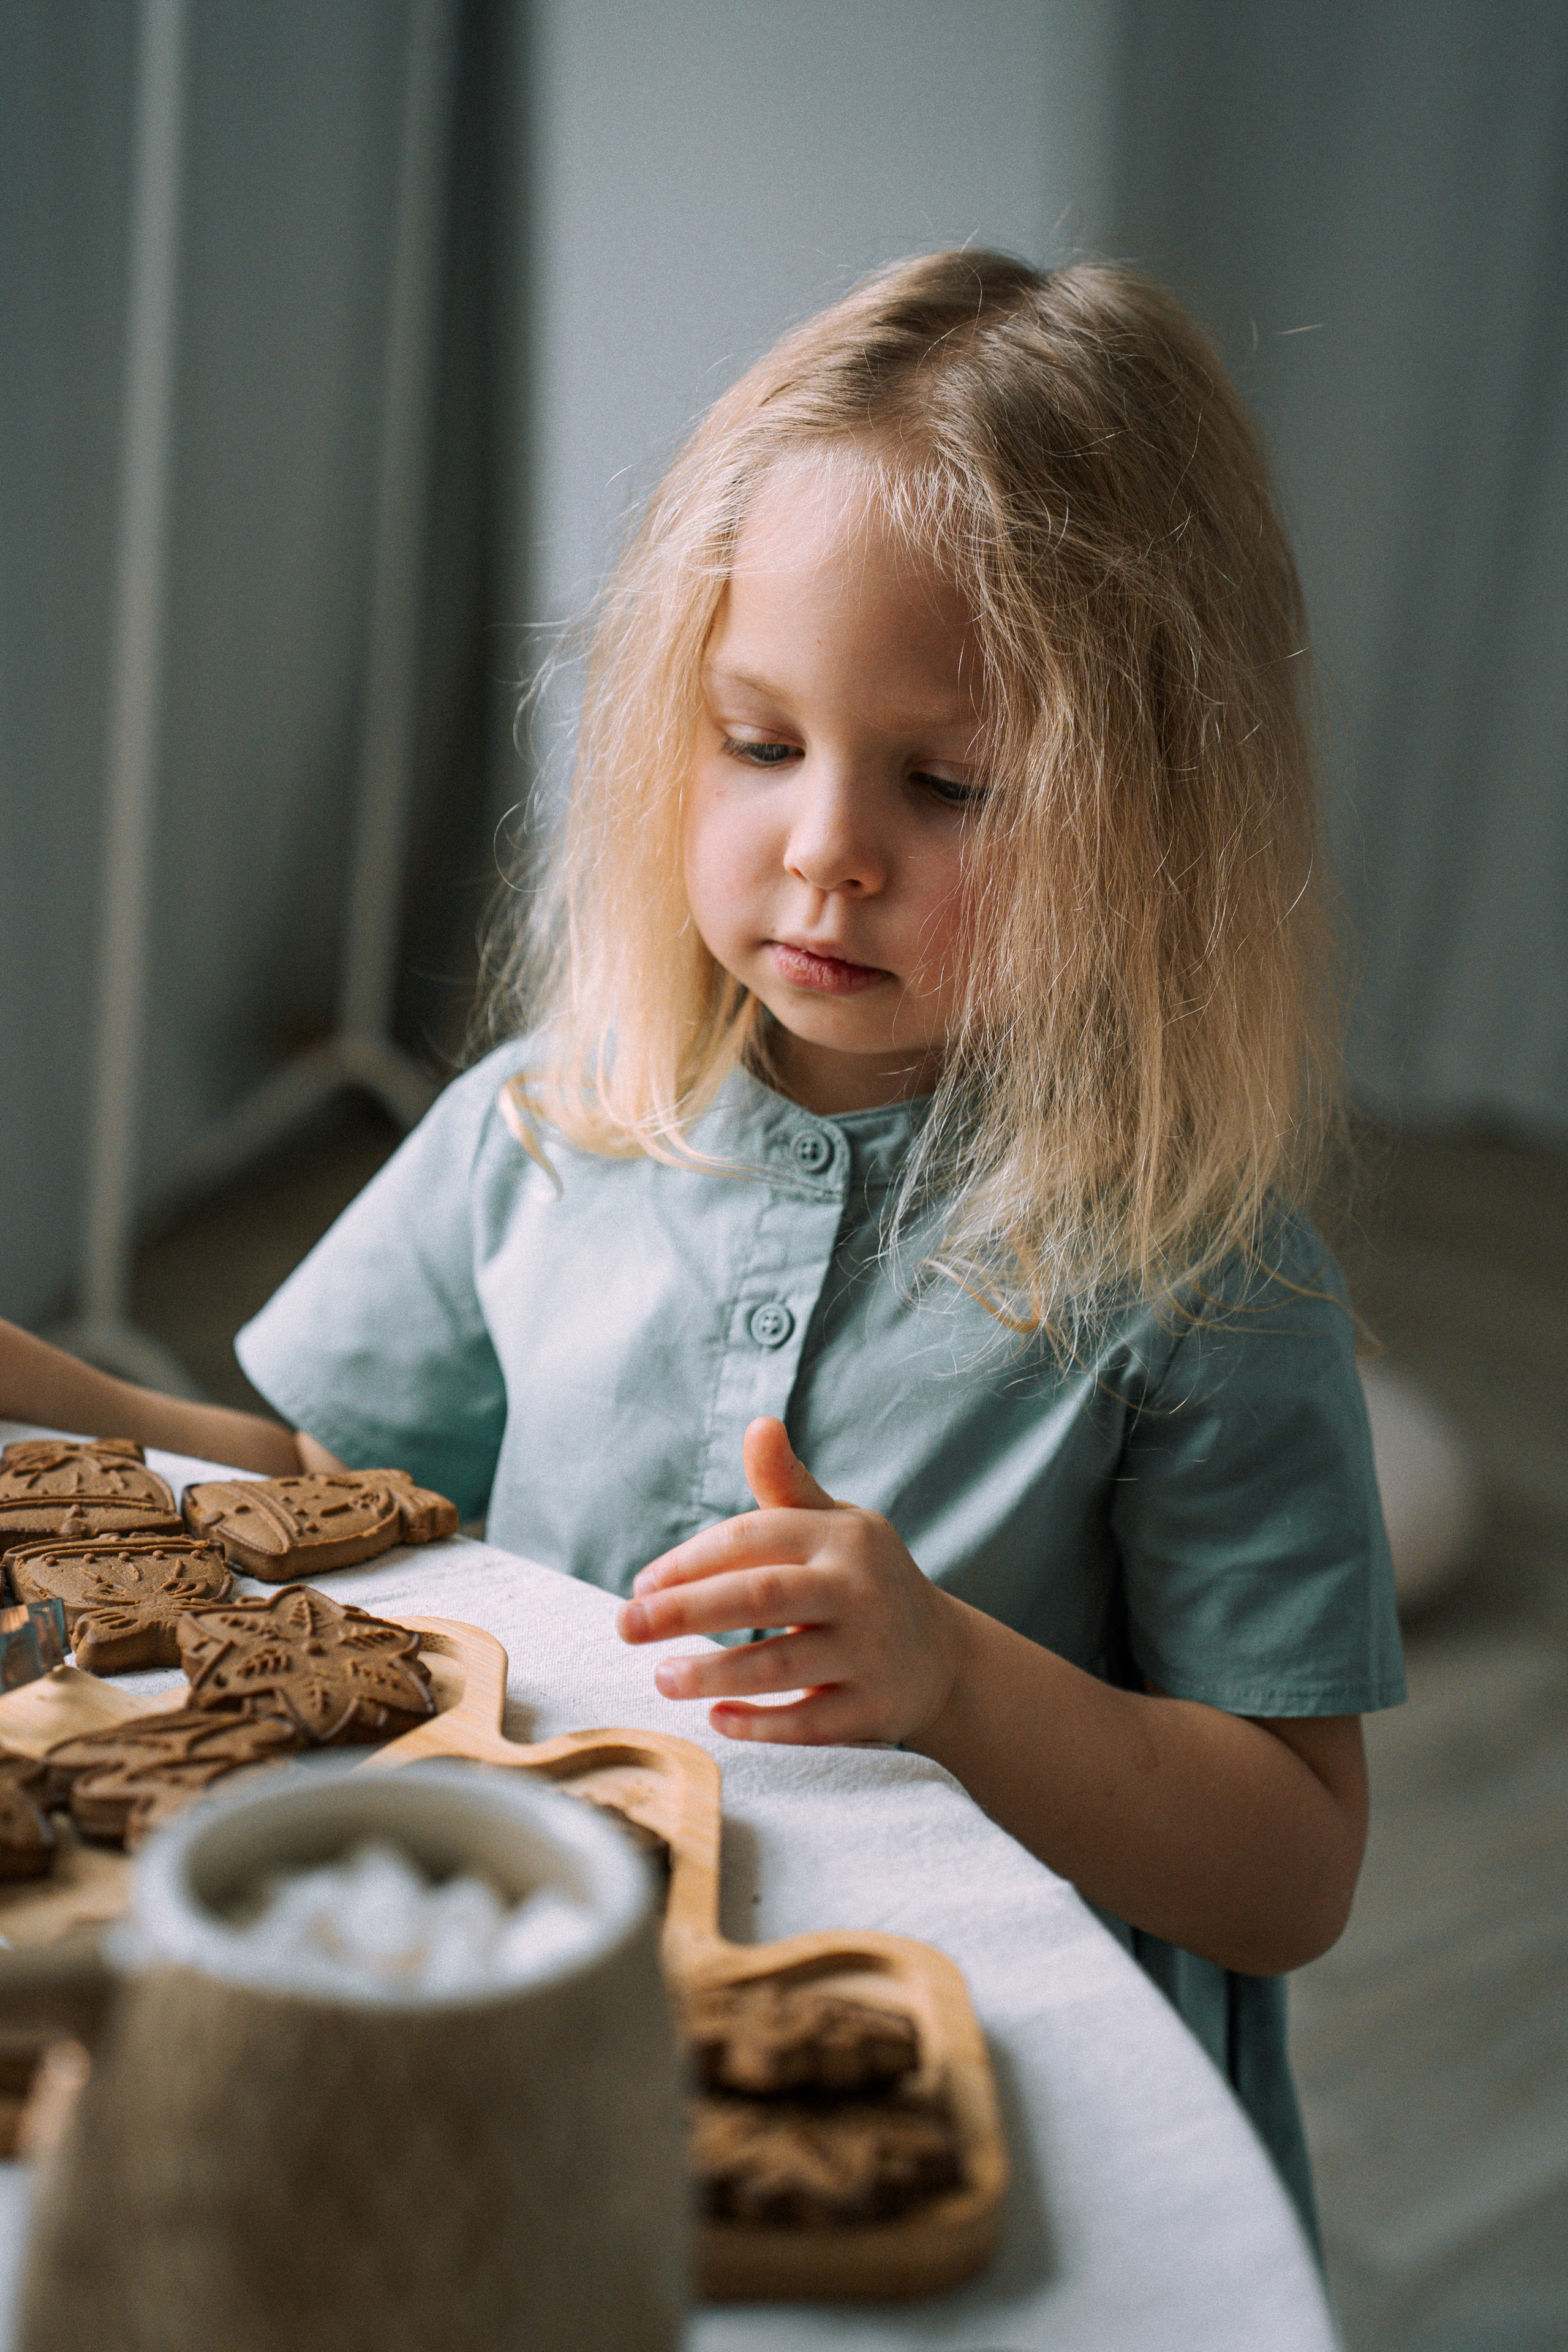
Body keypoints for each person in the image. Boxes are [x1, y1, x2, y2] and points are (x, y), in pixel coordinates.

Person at [1, 251, 1400, 2239]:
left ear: (1154, 819)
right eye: (757, 742)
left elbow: (1292, 1873)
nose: (828, 848)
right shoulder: (547, 1124)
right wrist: (58, 1398)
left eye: (950, 783)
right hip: (555, 2035)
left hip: (988, 2117)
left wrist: (950, 1673)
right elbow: (339, 1506)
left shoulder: (1202, 1274)